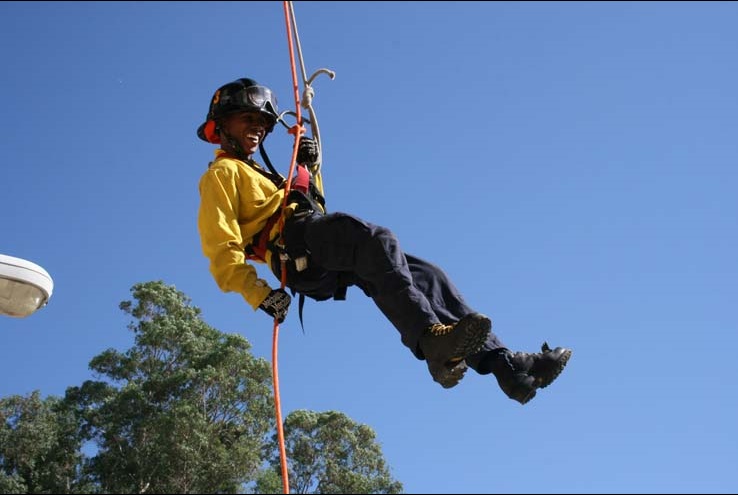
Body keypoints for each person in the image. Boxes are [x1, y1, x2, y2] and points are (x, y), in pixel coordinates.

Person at [196, 77, 572, 404]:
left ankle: (506, 367)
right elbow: (221, 248)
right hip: (294, 249)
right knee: (374, 239)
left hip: (313, 243)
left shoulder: (262, 173)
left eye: (262, 122)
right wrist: (259, 295)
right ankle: (430, 340)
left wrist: (309, 172)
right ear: (222, 125)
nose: (258, 128)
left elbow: (317, 209)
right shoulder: (222, 173)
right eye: (249, 119)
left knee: (426, 276)